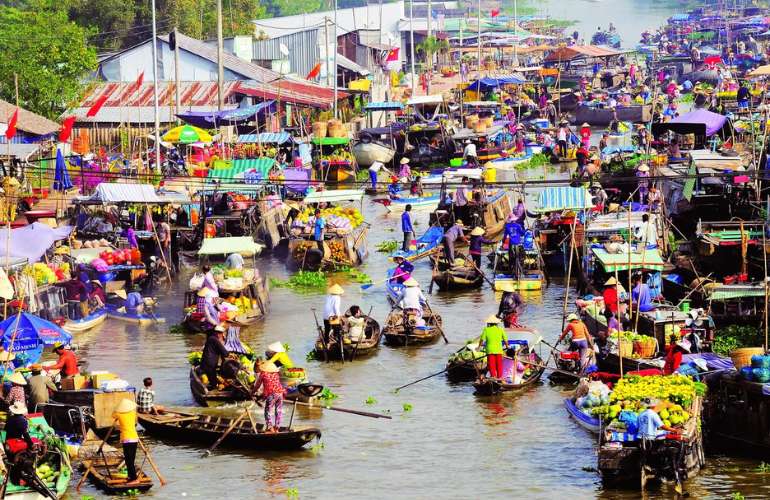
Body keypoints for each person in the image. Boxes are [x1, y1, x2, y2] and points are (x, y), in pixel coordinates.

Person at [112, 398, 141, 486]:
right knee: (131, 459)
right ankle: (130, 476)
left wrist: (117, 409)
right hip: (134, 438)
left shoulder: (119, 414)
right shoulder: (133, 413)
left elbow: (112, 415)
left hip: (127, 439)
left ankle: (134, 479)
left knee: (129, 460)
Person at [252, 361, 286, 433]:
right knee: (278, 410)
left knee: (267, 411)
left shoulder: (263, 374)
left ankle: (270, 427)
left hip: (272, 393)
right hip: (280, 393)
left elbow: (257, 385)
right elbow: (273, 384)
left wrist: (252, 392)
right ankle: (277, 427)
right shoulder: (276, 373)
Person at [478, 315, 508, 379]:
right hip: (499, 350)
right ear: (496, 323)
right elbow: (505, 339)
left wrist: (478, 347)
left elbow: (482, 339)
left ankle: (493, 377)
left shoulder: (486, 329)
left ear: (489, 323)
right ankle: (499, 377)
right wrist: (507, 347)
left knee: (492, 365)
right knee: (499, 365)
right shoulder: (500, 329)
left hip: (490, 350)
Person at [201, 325, 229, 390]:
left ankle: (214, 385)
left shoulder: (210, 339)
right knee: (214, 383)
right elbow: (225, 353)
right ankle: (215, 388)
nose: (223, 336)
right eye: (222, 334)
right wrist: (230, 354)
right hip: (210, 365)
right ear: (219, 334)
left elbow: (221, 352)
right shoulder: (215, 340)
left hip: (205, 364)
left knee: (213, 381)